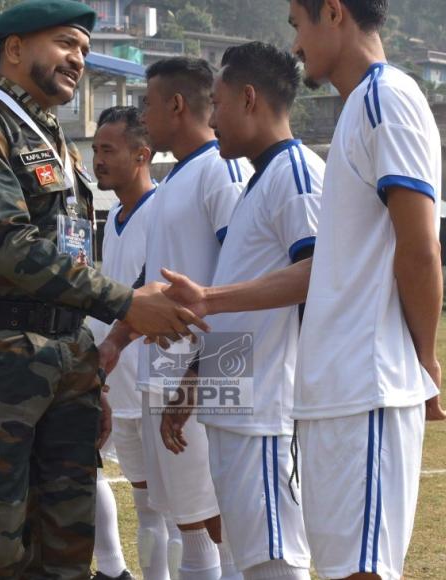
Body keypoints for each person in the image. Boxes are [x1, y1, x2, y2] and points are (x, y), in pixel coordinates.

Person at [159, 1, 446, 578]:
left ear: (334, 13)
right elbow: (326, 271)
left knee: (325, 565)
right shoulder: (352, 115)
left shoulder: (381, 99)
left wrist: (424, 358)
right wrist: (205, 342)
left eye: (298, 24)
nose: (295, 46)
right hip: (324, 392)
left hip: (350, 387)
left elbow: (419, 247)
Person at [0, 1, 208, 576]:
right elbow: (14, 247)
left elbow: (70, 255)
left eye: (83, 49)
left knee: (66, 546)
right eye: (64, 44)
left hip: (66, 362)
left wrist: (86, 367)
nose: (78, 59)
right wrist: (128, 303)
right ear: (14, 50)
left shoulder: (58, 140)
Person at [160, 41, 321, 580]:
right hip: (236, 410)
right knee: (250, 558)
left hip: (268, 414)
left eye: (220, 104)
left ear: (249, 99)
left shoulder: (296, 172)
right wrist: (197, 379)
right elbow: (242, 306)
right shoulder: (258, 181)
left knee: (276, 560)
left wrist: (209, 299)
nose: (214, 118)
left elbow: (318, 273)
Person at [100, 57, 252, 580]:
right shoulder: (175, 180)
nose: (144, 113)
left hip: (210, 375)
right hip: (167, 370)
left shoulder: (223, 171)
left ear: (176, 105)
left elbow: (245, 279)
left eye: (147, 102)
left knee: (224, 523)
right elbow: (152, 280)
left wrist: (200, 378)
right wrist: (117, 341)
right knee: (192, 520)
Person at [87, 106, 168, 580]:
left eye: (108, 150)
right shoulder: (112, 216)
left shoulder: (163, 209)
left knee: (172, 508)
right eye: (96, 149)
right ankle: (116, 570)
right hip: (118, 384)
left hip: (156, 380)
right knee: (143, 498)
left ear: (142, 155)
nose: (98, 159)